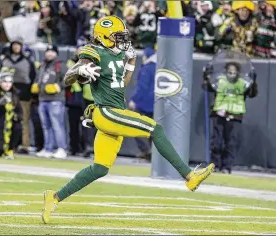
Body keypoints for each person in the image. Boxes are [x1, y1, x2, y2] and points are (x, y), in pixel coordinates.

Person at [41, 15, 215, 224]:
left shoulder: (116, 55)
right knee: (155, 129)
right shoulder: (93, 51)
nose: (122, 40)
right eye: (117, 36)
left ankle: (55, 197)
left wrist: (131, 62)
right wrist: (80, 69)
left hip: (112, 113)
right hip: (108, 113)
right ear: (104, 36)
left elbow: (120, 84)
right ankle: (189, 176)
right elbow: (69, 77)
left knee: (100, 168)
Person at [203, 61, 258, 173]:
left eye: (233, 72)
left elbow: (252, 93)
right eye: (229, 72)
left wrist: (254, 82)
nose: (231, 75)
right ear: (225, 72)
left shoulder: (243, 83)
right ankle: (215, 165)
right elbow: (207, 87)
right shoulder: (220, 81)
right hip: (219, 113)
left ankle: (226, 167)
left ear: (238, 73)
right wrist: (206, 76)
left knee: (231, 143)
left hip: (235, 115)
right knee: (216, 142)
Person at [0, 38, 36, 154]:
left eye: (18, 45)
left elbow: (32, 77)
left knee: (23, 119)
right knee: (5, 118)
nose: (16, 47)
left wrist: (29, 92)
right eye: (14, 45)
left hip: (23, 93)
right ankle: (6, 143)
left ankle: (25, 145)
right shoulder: (5, 59)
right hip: (7, 92)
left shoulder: (28, 60)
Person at [31, 45, 67, 159]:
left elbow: (69, 79)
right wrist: (36, 85)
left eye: (52, 51)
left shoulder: (60, 64)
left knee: (57, 125)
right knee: (46, 126)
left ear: (56, 53)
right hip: (43, 99)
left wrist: (58, 86)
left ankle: (62, 149)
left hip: (55, 99)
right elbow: (38, 78)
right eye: (48, 51)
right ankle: (48, 148)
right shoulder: (43, 65)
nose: (50, 54)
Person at [129, 47, 156, 161]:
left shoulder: (146, 68)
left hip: (144, 103)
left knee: (134, 126)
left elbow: (142, 87)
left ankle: (146, 151)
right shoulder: (159, 67)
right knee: (152, 130)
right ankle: (153, 153)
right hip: (156, 104)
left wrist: (134, 100)